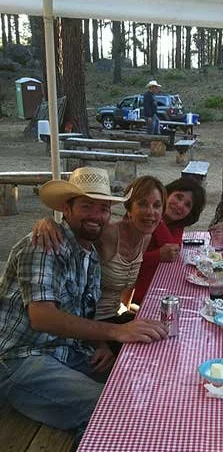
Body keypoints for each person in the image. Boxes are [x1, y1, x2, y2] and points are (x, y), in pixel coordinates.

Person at [0, 167, 167, 437]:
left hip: (67, 352)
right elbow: (42, 317)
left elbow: (82, 313)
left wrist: (100, 343)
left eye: (102, 208)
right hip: (21, 359)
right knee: (114, 408)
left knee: (140, 387)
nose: (96, 215)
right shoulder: (43, 245)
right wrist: (116, 331)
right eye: (86, 206)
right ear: (67, 209)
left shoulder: (88, 254)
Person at [32, 175, 166, 324]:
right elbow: (74, 232)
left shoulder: (145, 237)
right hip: (90, 324)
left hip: (112, 318)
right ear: (129, 208)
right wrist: (47, 223)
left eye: (157, 205)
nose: (150, 211)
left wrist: (126, 314)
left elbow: (127, 285)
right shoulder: (106, 233)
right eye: (142, 204)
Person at [133, 176, 206, 304]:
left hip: (157, 281)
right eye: (178, 197)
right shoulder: (141, 217)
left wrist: (159, 221)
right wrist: (158, 255)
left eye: (187, 205)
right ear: (166, 194)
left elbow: (173, 250)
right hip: (134, 290)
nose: (180, 205)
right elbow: (127, 262)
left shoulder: (176, 224)